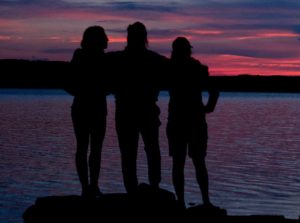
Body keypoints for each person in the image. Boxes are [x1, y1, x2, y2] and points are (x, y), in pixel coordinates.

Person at [111, 22, 168, 193]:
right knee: (149, 150)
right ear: (145, 38)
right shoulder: (154, 59)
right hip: (143, 110)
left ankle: (135, 189)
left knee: (132, 153)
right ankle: (152, 186)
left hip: (129, 111)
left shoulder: (118, 59)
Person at [166, 37, 219, 209]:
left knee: (181, 162)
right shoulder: (197, 69)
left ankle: (183, 202)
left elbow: (214, 90)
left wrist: (208, 107)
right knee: (196, 162)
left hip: (180, 120)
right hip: (193, 119)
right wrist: (208, 107)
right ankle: (203, 200)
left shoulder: (172, 69)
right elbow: (214, 90)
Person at [65, 26, 109, 198]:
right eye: (105, 37)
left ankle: (91, 186)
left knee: (89, 148)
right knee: (87, 148)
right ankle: (88, 187)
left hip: (91, 108)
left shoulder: (99, 58)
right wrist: (84, 92)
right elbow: (68, 81)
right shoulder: (81, 55)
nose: (108, 40)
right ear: (97, 39)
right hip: (87, 108)